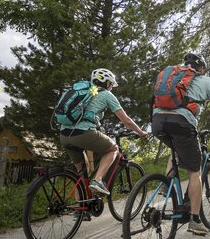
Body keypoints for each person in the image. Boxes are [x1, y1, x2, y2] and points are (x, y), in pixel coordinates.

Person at [151, 52, 210, 236]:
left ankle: (166, 184)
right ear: (201, 68)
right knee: (195, 172)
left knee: (176, 150)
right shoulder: (205, 81)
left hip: (158, 122)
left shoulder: (172, 77)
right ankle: (195, 220)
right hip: (182, 123)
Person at [59, 68, 148, 196]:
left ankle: (81, 209)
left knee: (81, 173)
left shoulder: (86, 92)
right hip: (82, 134)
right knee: (113, 149)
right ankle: (98, 180)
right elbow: (126, 120)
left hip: (64, 135)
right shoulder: (106, 94)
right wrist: (140, 132)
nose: (111, 87)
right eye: (111, 84)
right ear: (107, 83)